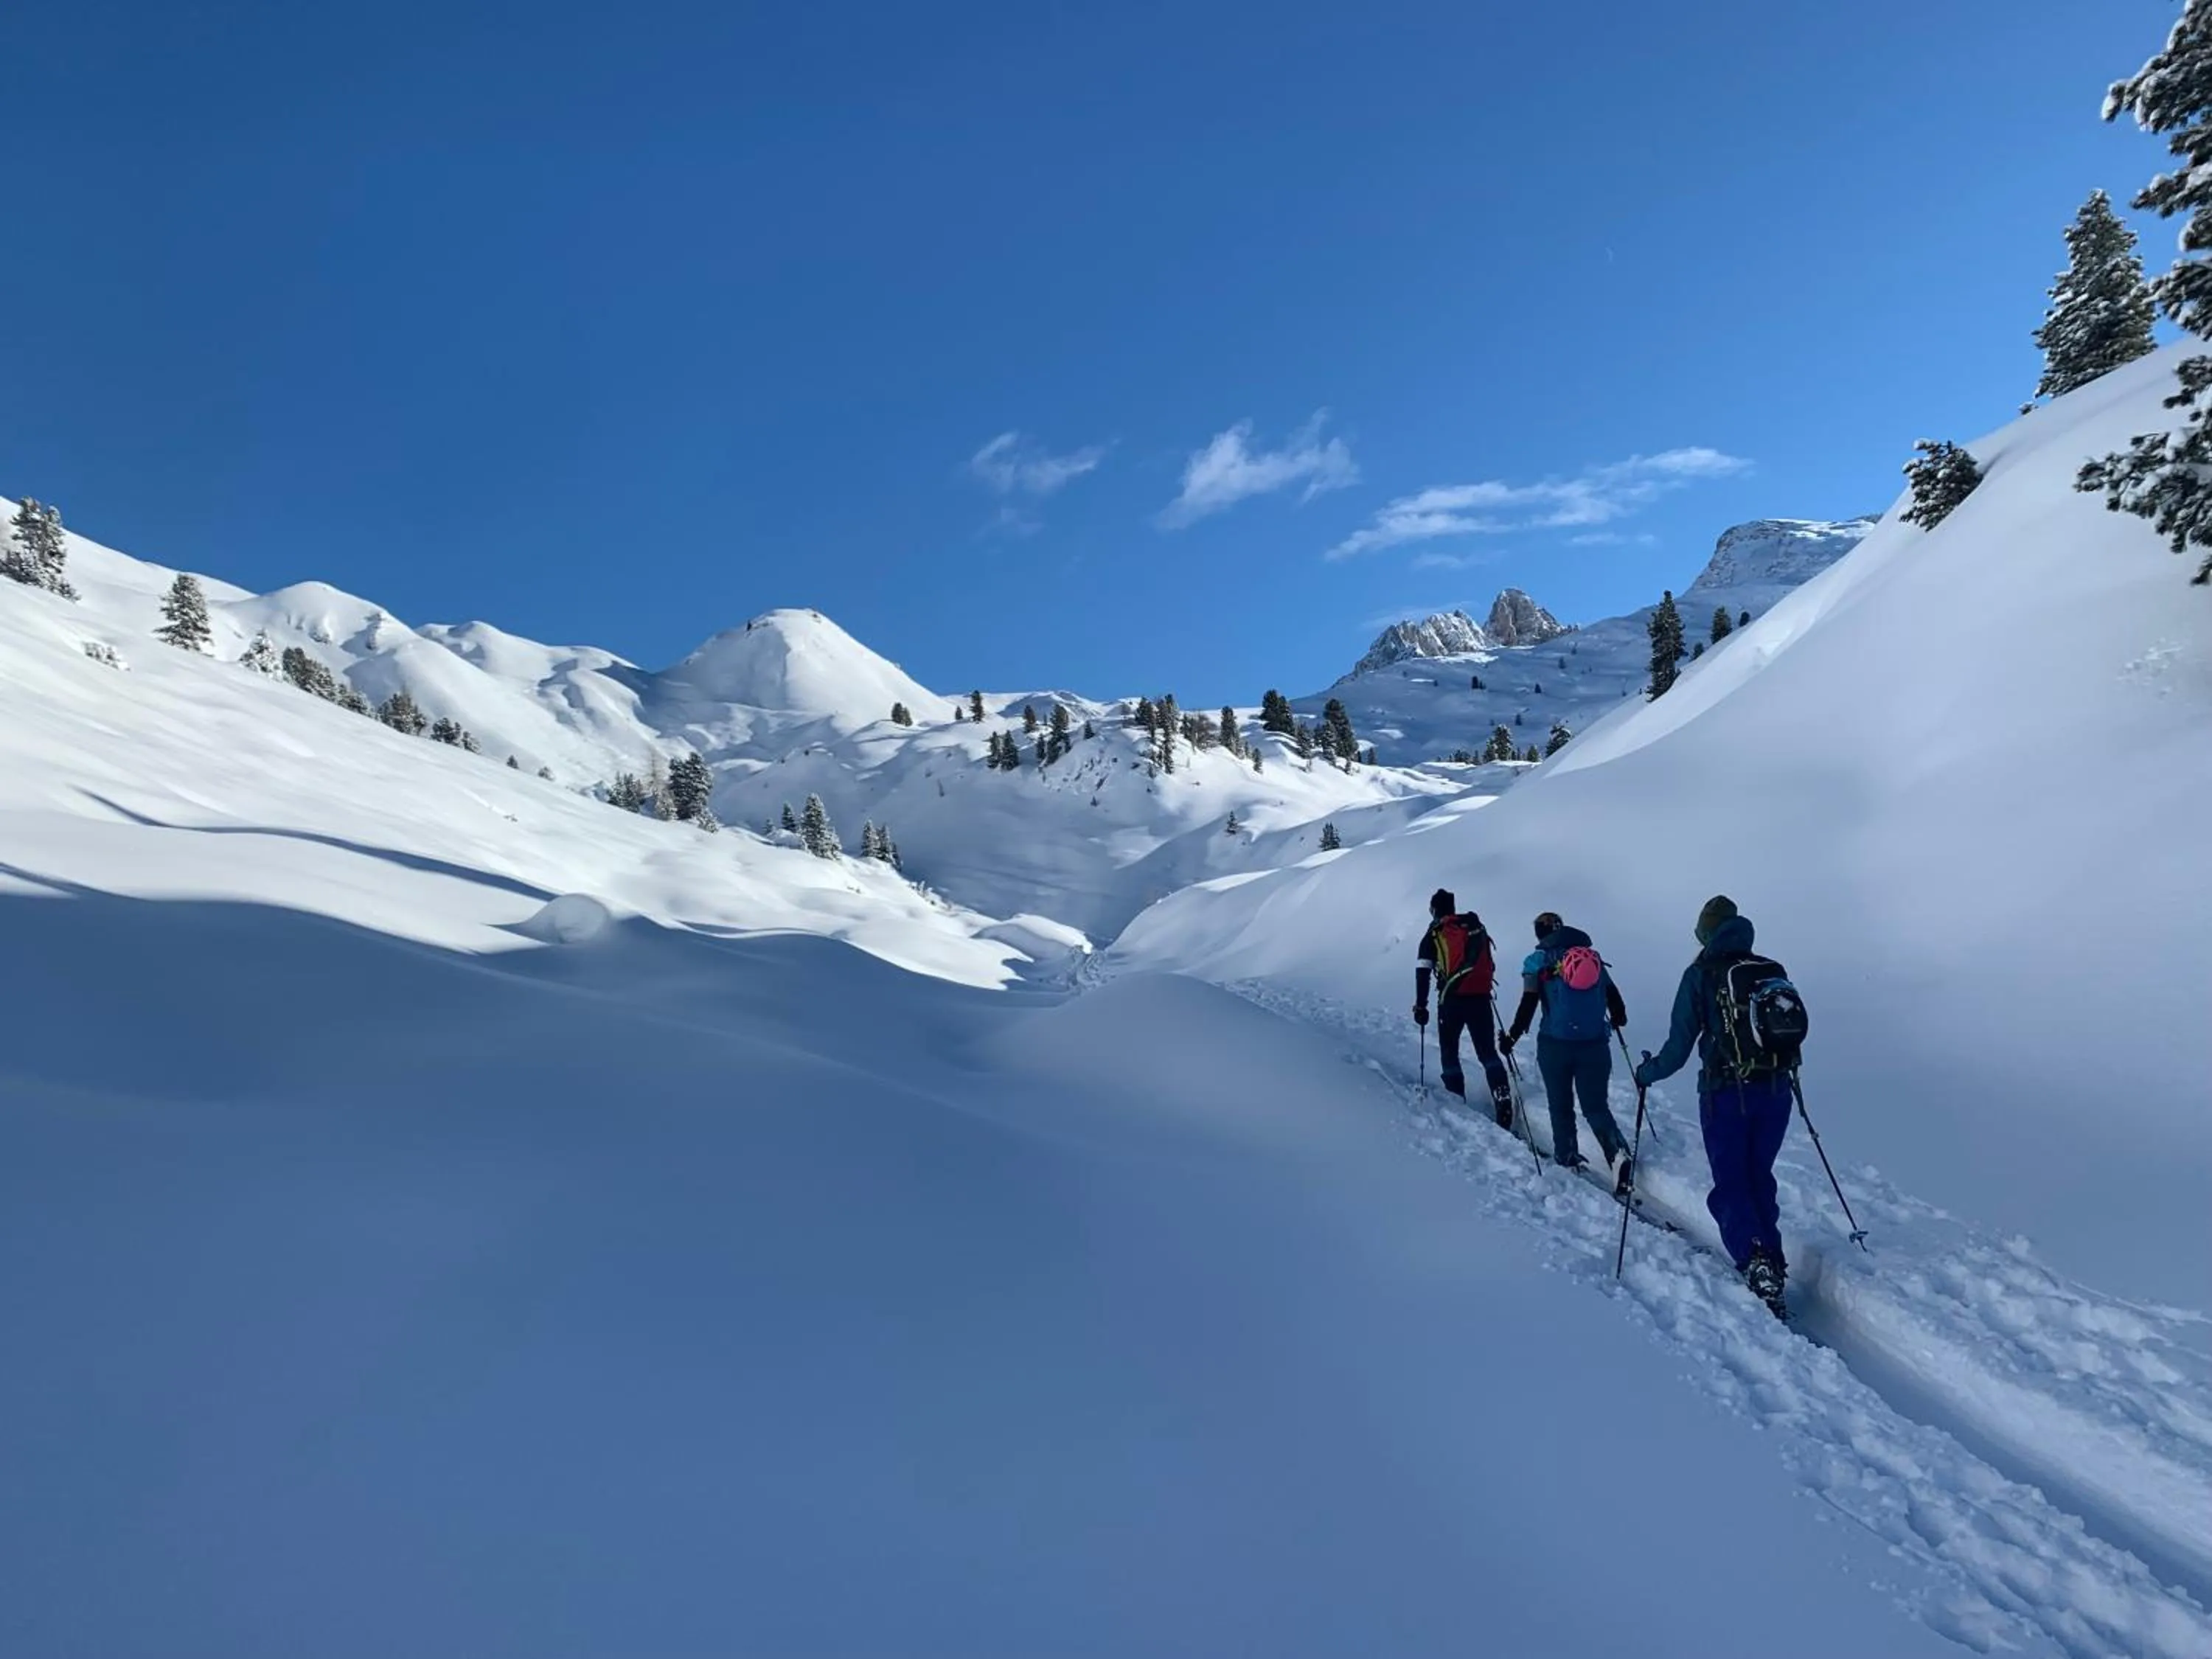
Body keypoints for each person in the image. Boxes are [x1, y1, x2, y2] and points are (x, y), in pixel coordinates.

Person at [1634, 896, 1792, 1320]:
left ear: (1705, 932)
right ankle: (1771, 1257)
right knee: (1758, 1174)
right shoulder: (1769, 970)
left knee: (1731, 1180)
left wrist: (1646, 1074)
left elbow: (1678, 1049)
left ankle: (1756, 1259)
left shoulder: (1700, 974)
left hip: (1727, 1092)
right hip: (1778, 1091)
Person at [1502, 911, 1632, 1190]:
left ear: (1540, 933)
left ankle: (1567, 1158)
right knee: (1596, 1107)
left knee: (1560, 1106)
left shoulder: (1537, 961)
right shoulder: (1592, 958)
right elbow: (1616, 1003)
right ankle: (1617, 1153)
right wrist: (1617, 1019)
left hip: (1555, 1045)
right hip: (1596, 1046)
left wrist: (1511, 1036)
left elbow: (1528, 1004)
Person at [1412, 888, 1514, 1126]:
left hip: (1451, 1000)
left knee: (1450, 1050)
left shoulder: (1434, 934)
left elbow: (1423, 972)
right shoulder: (1474, 928)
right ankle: (1502, 1094)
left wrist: (1421, 1006)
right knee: (1487, 1051)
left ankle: (1456, 1098)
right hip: (1480, 997)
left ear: (1434, 909)